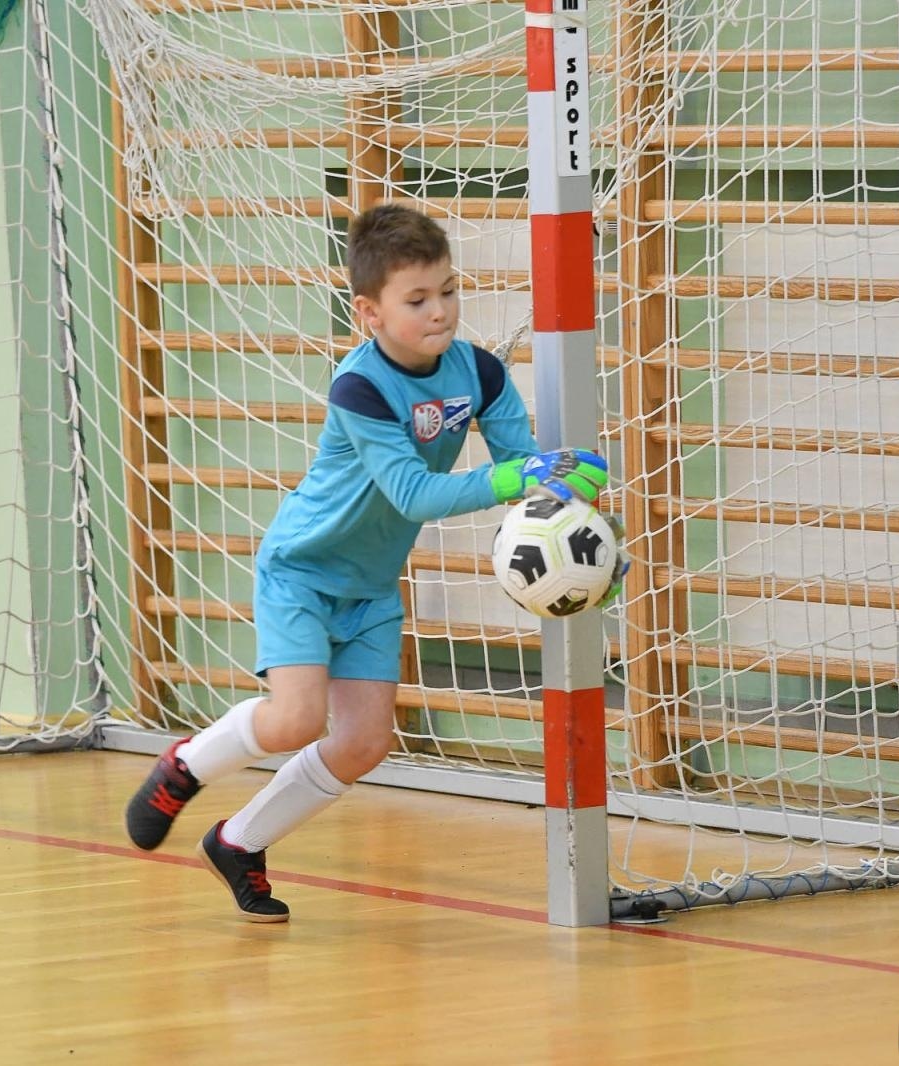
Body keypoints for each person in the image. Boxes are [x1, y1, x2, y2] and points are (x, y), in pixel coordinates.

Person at [125, 203, 614, 921]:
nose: (440, 311)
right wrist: (526, 476)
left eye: (448, 290)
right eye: (417, 300)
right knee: (294, 720)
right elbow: (414, 493)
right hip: (303, 571)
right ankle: (185, 765)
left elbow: (523, 479)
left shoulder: (479, 372)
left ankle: (239, 842)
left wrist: (591, 537)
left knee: (364, 742)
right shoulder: (359, 387)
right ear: (369, 313)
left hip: (372, 588)